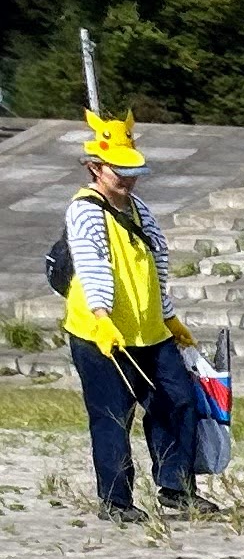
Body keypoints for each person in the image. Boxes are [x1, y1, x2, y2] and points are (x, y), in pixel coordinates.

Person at [56, 111, 200, 522]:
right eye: (120, 171)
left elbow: (156, 266)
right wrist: (102, 318)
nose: (128, 178)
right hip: (101, 334)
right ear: (95, 168)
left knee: (179, 403)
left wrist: (170, 317)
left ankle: (177, 488)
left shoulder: (140, 210)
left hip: (150, 331)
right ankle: (116, 502)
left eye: (132, 170)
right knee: (112, 417)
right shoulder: (84, 211)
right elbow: (93, 264)